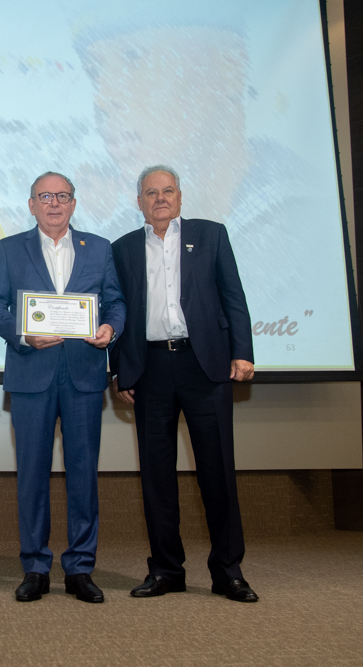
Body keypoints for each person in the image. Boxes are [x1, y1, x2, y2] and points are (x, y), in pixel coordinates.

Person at [109, 165, 258, 603]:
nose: (159, 198)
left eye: (167, 191)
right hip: (150, 370)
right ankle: (166, 570)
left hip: (205, 366)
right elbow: (118, 312)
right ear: (138, 202)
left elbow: (234, 297)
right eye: (150, 192)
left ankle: (228, 572)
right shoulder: (122, 249)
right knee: (157, 477)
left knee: (217, 473)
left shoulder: (211, 235)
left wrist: (243, 351)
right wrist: (120, 369)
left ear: (180, 197)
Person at [0, 172, 125, 603]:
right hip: (31, 373)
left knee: (84, 474)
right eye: (46, 196)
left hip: (83, 374)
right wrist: (24, 334)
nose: (54, 203)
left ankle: (81, 567)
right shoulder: (10, 248)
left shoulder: (98, 248)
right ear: (31, 204)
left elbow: (115, 301)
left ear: (74, 204)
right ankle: (36, 566)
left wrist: (110, 327)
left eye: (62, 196)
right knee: (32, 475)